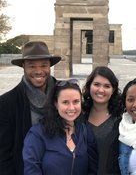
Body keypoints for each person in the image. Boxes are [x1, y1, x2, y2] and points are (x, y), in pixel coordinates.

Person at [0, 41, 61, 175]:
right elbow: (3, 154)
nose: (39, 71)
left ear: (50, 66)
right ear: (23, 67)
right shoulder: (7, 103)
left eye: (44, 65)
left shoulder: (63, 95)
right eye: (32, 66)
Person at [23, 79, 98, 174]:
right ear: (56, 104)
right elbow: (31, 169)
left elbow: (93, 169)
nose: (71, 108)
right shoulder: (38, 134)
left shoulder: (85, 131)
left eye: (76, 102)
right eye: (65, 102)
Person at [82, 66, 122, 175]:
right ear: (89, 86)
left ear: (113, 90)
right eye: (96, 84)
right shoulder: (79, 115)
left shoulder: (121, 118)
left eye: (107, 86)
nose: (101, 90)